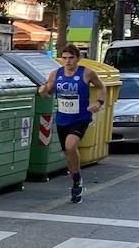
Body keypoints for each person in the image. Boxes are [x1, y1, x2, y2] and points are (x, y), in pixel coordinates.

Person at [41, 43, 104, 203]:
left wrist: (99, 103)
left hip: (81, 117)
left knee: (71, 146)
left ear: (78, 58)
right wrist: (43, 91)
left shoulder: (87, 73)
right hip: (63, 119)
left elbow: (101, 87)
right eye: (65, 58)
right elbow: (47, 91)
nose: (68, 61)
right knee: (68, 153)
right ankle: (76, 178)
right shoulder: (56, 74)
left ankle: (77, 181)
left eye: (71, 58)